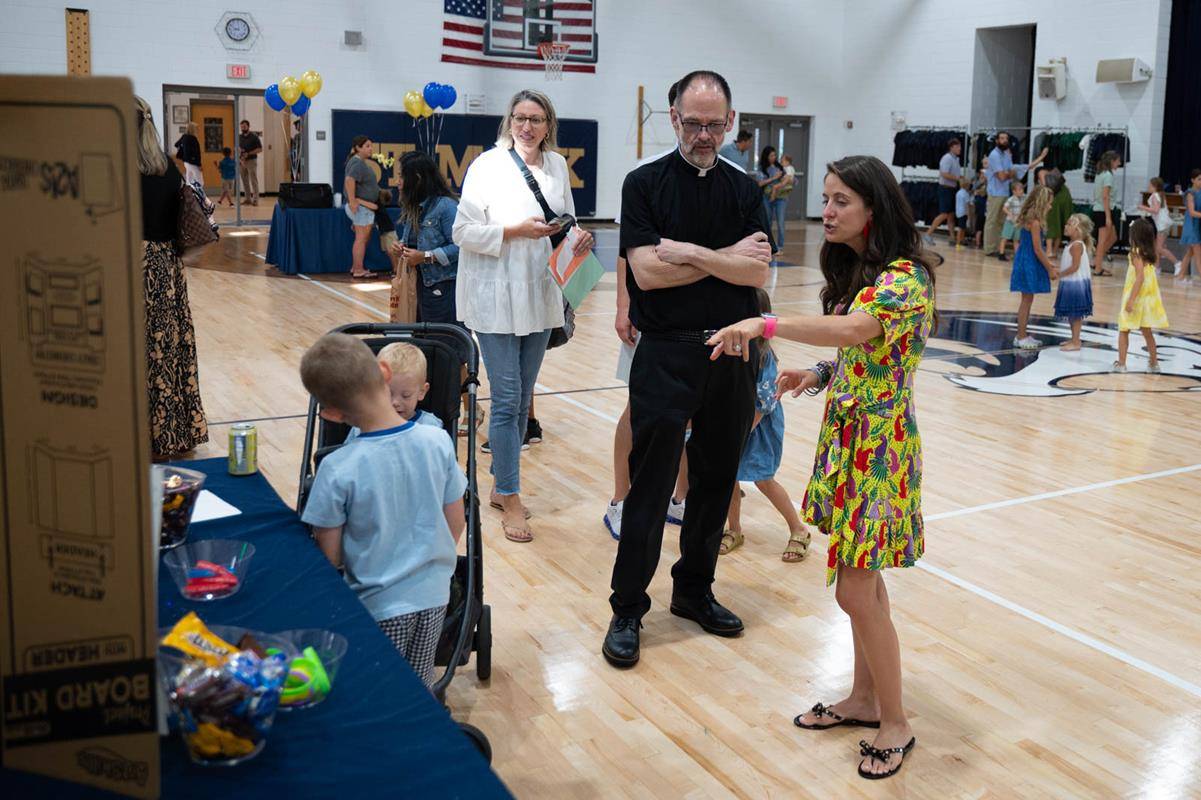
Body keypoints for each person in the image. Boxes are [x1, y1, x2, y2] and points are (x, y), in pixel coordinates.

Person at [708, 155, 936, 781]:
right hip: (852, 443)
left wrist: (767, 323)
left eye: (841, 201)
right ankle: (865, 700)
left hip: (880, 453)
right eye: (827, 198)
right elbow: (870, 352)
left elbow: (860, 328)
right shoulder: (870, 272)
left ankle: (896, 723)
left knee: (854, 588)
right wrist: (818, 374)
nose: (827, 210)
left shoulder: (904, 279)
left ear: (873, 208)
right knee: (864, 588)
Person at [603, 69, 772, 670]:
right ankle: (628, 607)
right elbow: (646, 273)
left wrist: (695, 254)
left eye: (715, 123)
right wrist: (727, 261)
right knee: (650, 487)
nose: (705, 134)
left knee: (714, 482)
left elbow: (757, 275)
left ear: (730, 122)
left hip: (732, 353)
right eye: (694, 123)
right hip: (666, 353)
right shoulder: (643, 184)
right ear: (673, 118)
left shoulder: (746, 189)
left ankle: (694, 592)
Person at [453, 89, 594, 544]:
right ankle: (510, 494)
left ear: (548, 123)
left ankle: (499, 484)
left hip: (540, 293)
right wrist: (513, 232)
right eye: (519, 118)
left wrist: (577, 235)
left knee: (523, 395)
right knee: (509, 399)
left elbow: (564, 217)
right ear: (508, 121)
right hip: (495, 296)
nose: (527, 126)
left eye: (535, 119)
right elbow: (462, 231)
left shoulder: (555, 166)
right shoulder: (486, 167)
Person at [299, 333, 466, 687]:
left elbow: (331, 555)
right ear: (384, 372)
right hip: (434, 594)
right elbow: (456, 517)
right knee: (418, 686)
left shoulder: (337, 467)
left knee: (376, 688)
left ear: (330, 413)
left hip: (376, 602)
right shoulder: (437, 441)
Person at [133, 96, 208, 459]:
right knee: (166, 351)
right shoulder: (168, 167)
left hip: (131, 264)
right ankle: (170, 433)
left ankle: (133, 435)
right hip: (165, 267)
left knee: (132, 350)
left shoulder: (114, 168)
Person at [720, 288, 811, 563]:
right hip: (736, 421)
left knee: (763, 479)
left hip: (758, 428)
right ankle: (734, 529)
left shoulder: (764, 357)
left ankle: (799, 529)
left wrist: (740, 430)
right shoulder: (733, 347)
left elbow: (763, 403)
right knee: (730, 478)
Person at [390, 151, 460, 326]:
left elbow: (461, 247)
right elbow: (415, 243)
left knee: (446, 343)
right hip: (419, 287)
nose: (397, 182)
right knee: (422, 343)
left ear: (418, 178)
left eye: (401, 176)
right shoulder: (413, 207)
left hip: (445, 288)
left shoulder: (446, 207)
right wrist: (401, 248)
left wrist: (426, 256)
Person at [345, 343, 445, 439]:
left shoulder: (430, 426)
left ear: (422, 392)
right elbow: (349, 454)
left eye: (406, 395)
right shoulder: (363, 425)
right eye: (387, 394)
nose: (395, 402)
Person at [1114, 219, 1169, 373]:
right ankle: (1154, 363)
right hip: (1148, 298)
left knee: (1124, 329)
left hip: (1136, 296)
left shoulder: (1135, 252)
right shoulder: (1150, 253)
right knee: (1147, 332)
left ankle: (1122, 364)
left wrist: (1131, 300)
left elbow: (1140, 277)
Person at [984, 132, 1048, 258]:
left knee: (1001, 221)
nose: (1004, 140)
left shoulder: (1006, 155)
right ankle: (989, 248)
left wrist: (1041, 157)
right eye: (1002, 138)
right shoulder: (995, 155)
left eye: (1006, 138)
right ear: (997, 141)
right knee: (992, 220)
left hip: (1004, 192)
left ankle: (997, 248)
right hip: (995, 192)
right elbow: (1002, 176)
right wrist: (1011, 173)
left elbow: (1021, 168)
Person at [1009, 185, 1058, 348]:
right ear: (1042, 203)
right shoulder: (1035, 222)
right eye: (1049, 203)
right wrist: (1049, 269)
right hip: (1028, 261)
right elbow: (1037, 249)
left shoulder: (1030, 218)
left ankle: (1023, 334)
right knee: (1026, 300)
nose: (1050, 207)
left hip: (1026, 259)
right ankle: (1021, 336)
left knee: (1028, 299)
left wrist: (1047, 263)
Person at [1054, 214, 1094, 352]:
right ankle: (1074, 338)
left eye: (1069, 224)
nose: (1066, 226)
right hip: (1070, 282)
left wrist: (1060, 273)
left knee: (1075, 315)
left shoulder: (1076, 246)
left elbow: (1075, 266)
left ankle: (1076, 341)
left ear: (1078, 230)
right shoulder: (1070, 244)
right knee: (1072, 313)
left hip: (1076, 284)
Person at [344, 135, 380, 280]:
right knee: (360, 239)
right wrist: (353, 201)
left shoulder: (359, 162)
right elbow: (349, 180)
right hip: (362, 208)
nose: (370, 149)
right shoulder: (357, 163)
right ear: (358, 148)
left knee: (362, 238)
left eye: (371, 146)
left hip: (363, 208)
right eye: (367, 146)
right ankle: (359, 269)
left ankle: (356, 267)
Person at [925, 138, 962, 245]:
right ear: (952, 148)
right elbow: (944, 173)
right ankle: (928, 234)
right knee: (944, 214)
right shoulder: (947, 158)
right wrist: (958, 179)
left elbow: (953, 174)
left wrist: (961, 177)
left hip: (951, 189)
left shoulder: (955, 159)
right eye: (957, 147)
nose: (960, 149)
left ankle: (952, 238)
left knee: (951, 214)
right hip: (945, 189)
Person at [1091, 150, 1122, 275]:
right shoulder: (1107, 175)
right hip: (1103, 210)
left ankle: (1096, 262)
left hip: (1102, 210)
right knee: (1102, 241)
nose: (1119, 163)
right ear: (1112, 161)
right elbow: (1105, 196)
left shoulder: (1101, 173)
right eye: (1118, 161)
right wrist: (1108, 217)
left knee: (1113, 237)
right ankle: (1098, 269)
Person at [1135, 177, 1175, 270]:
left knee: (1159, 248)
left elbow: (1155, 210)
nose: (1148, 187)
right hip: (1164, 224)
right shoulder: (1160, 195)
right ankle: (1156, 267)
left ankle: (1177, 263)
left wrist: (1142, 207)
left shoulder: (1155, 196)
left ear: (1155, 186)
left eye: (1150, 185)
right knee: (1156, 247)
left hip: (1162, 225)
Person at [758, 146, 787, 253]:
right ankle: (768, 246)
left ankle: (780, 246)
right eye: (771, 155)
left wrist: (786, 180)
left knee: (780, 221)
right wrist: (774, 178)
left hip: (781, 198)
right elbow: (760, 183)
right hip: (766, 197)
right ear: (766, 156)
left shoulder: (780, 167)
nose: (773, 157)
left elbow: (791, 180)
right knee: (767, 222)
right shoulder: (761, 168)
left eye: (775, 155)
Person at [1175, 170, 1201, 281]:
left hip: (1197, 226)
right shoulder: (1190, 193)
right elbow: (1192, 212)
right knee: (1198, 254)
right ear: (1192, 180)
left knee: (1190, 253)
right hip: (1191, 226)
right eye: (1199, 179)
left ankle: (1180, 276)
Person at [1044, 168, 1075, 258]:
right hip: (1063, 200)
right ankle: (1054, 251)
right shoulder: (1065, 189)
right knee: (1060, 228)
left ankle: (1049, 251)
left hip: (1053, 201)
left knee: (1051, 227)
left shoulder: (1044, 176)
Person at [998, 180, 1025, 260]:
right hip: (1010, 222)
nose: (1021, 191)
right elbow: (1004, 208)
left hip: (1018, 222)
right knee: (1005, 238)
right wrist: (1010, 214)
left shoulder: (1023, 198)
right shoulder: (1011, 199)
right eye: (1019, 190)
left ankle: (1017, 256)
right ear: (1014, 191)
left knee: (1016, 239)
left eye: (1022, 189)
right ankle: (1001, 254)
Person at [237, 119, 262, 205]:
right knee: (245, 181)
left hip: (251, 161)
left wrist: (249, 153)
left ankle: (255, 200)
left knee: (253, 180)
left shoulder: (254, 137)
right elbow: (237, 147)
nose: (243, 128)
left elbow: (260, 149)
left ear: (248, 126)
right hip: (242, 161)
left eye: (244, 126)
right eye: (241, 127)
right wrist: (240, 153)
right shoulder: (239, 137)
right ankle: (248, 199)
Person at [173, 121, 202, 186]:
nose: (197, 130)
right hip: (193, 162)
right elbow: (197, 153)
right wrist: (199, 165)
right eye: (196, 128)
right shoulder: (193, 138)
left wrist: (182, 149)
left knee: (189, 180)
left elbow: (176, 144)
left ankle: (189, 194)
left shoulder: (184, 136)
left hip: (186, 161)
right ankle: (198, 195)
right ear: (193, 129)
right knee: (200, 181)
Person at [972, 160, 988, 249]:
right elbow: (974, 188)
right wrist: (981, 181)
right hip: (980, 202)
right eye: (985, 163)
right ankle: (978, 242)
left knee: (985, 222)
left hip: (986, 201)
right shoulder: (979, 175)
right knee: (980, 221)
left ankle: (982, 242)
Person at [953, 178, 970, 249]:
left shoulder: (958, 192)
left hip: (958, 212)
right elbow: (967, 205)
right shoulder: (966, 194)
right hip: (963, 212)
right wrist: (969, 214)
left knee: (962, 228)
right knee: (961, 228)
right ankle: (958, 243)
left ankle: (961, 242)